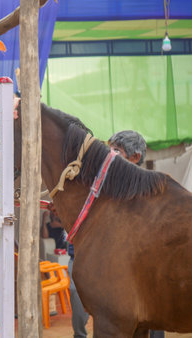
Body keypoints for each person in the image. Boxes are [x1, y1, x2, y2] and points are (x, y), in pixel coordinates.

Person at [68, 130, 163, 338]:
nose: (109, 153)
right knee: (76, 292)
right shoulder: (96, 184)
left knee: (153, 308)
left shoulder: (150, 190)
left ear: (135, 158)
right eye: (109, 148)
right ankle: (79, 335)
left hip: (136, 268)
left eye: (116, 150)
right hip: (96, 263)